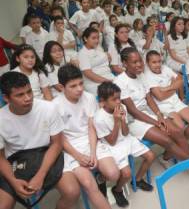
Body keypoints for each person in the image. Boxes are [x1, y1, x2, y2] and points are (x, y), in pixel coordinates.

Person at [0, 71, 80, 209]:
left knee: (72, 191)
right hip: (16, 160)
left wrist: (40, 175)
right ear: (6, 98)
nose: (28, 98)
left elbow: (56, 144)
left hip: (46, 152)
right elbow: (0, 157)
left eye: (29, 91)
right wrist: (13, 181)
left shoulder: (48, 108)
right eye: (20, 95)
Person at [114, 47, 189, 170]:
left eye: (140, 61)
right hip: (133, 121)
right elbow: (133, 111)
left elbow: (149, 99)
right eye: (134, 62)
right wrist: (157, 123)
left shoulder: (141, 76)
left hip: (148, 113)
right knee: (167, 140)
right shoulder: (120, 82)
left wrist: (159, 115)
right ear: (125, 64)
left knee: (178, 132)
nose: (139, 64)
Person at [53, 64, 115, 208]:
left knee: (113, 174)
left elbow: (91, 127)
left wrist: (93, 152)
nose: (79, 89)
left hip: (90, 140)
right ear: (62, 88)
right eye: (73, 86)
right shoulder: (54, 106)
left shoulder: (89, 98)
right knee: (88, 185)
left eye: (81, 83)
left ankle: (101, 177)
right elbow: (60, 138)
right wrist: (78, 156)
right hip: (70, 148)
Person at [94, 82, 155, 207]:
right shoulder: (99, 118)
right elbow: (112, 141)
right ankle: (117, 190)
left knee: (150, 156)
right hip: (113, 146)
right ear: (103, 101)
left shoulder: (122, 107)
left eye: (119, 98)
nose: (118, 102)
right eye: (114, 99)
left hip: (126, 139)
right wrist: (116, 121)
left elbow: (126, 132)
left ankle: (137, 180)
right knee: (126, 174)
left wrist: (122, 120)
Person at [144, 50, 189, 140]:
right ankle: (180, 146)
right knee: (180, 127)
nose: (158, 65)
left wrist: (167, 88)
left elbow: (181, 80)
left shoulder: (165, 68)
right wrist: (175, 86)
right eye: (154, 62)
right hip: (163, 106)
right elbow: (160, 97)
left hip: (175, 101)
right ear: (147, 63)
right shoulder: (147, 76)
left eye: (159, 61)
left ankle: (182, 144)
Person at [78, 27, 114, 95]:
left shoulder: (99, 49)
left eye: (98, 38)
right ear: (85, 39)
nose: (97, 40)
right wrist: (107, 81)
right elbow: (88, 74)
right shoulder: (82, 53)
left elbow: (106, 64)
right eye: (93, 38)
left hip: (108, 76)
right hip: (94, 83)